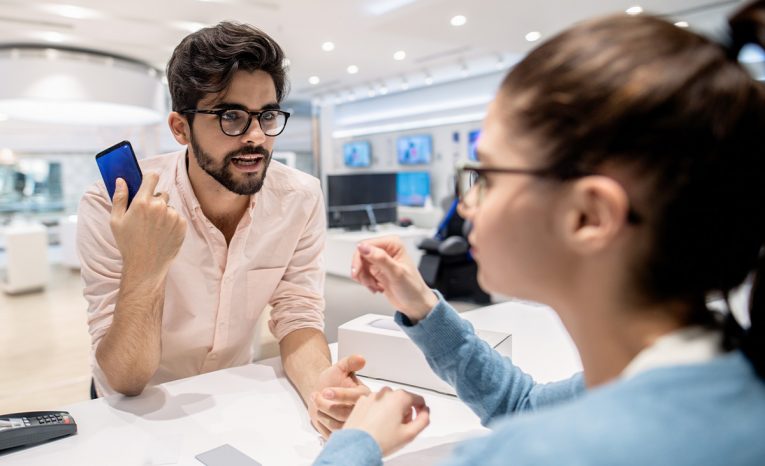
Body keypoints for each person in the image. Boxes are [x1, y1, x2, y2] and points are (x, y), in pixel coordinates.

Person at [313, 2, 765, 464]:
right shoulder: (715, 376)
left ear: (588, 216)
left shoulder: (538, 454)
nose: (467, 204)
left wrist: (357, 443)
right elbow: (521, 406)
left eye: (485, 175)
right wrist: (420, 304)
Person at [77, 22, 367, 437]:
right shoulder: (112, 204)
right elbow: (126, 377)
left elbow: (297, 314)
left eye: (267, 115)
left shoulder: (300, 198)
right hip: (129, 411)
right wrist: (147, 264)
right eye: (231, 116)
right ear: (180, 128)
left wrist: (322, 385)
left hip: (230, 396)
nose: (255, 137)